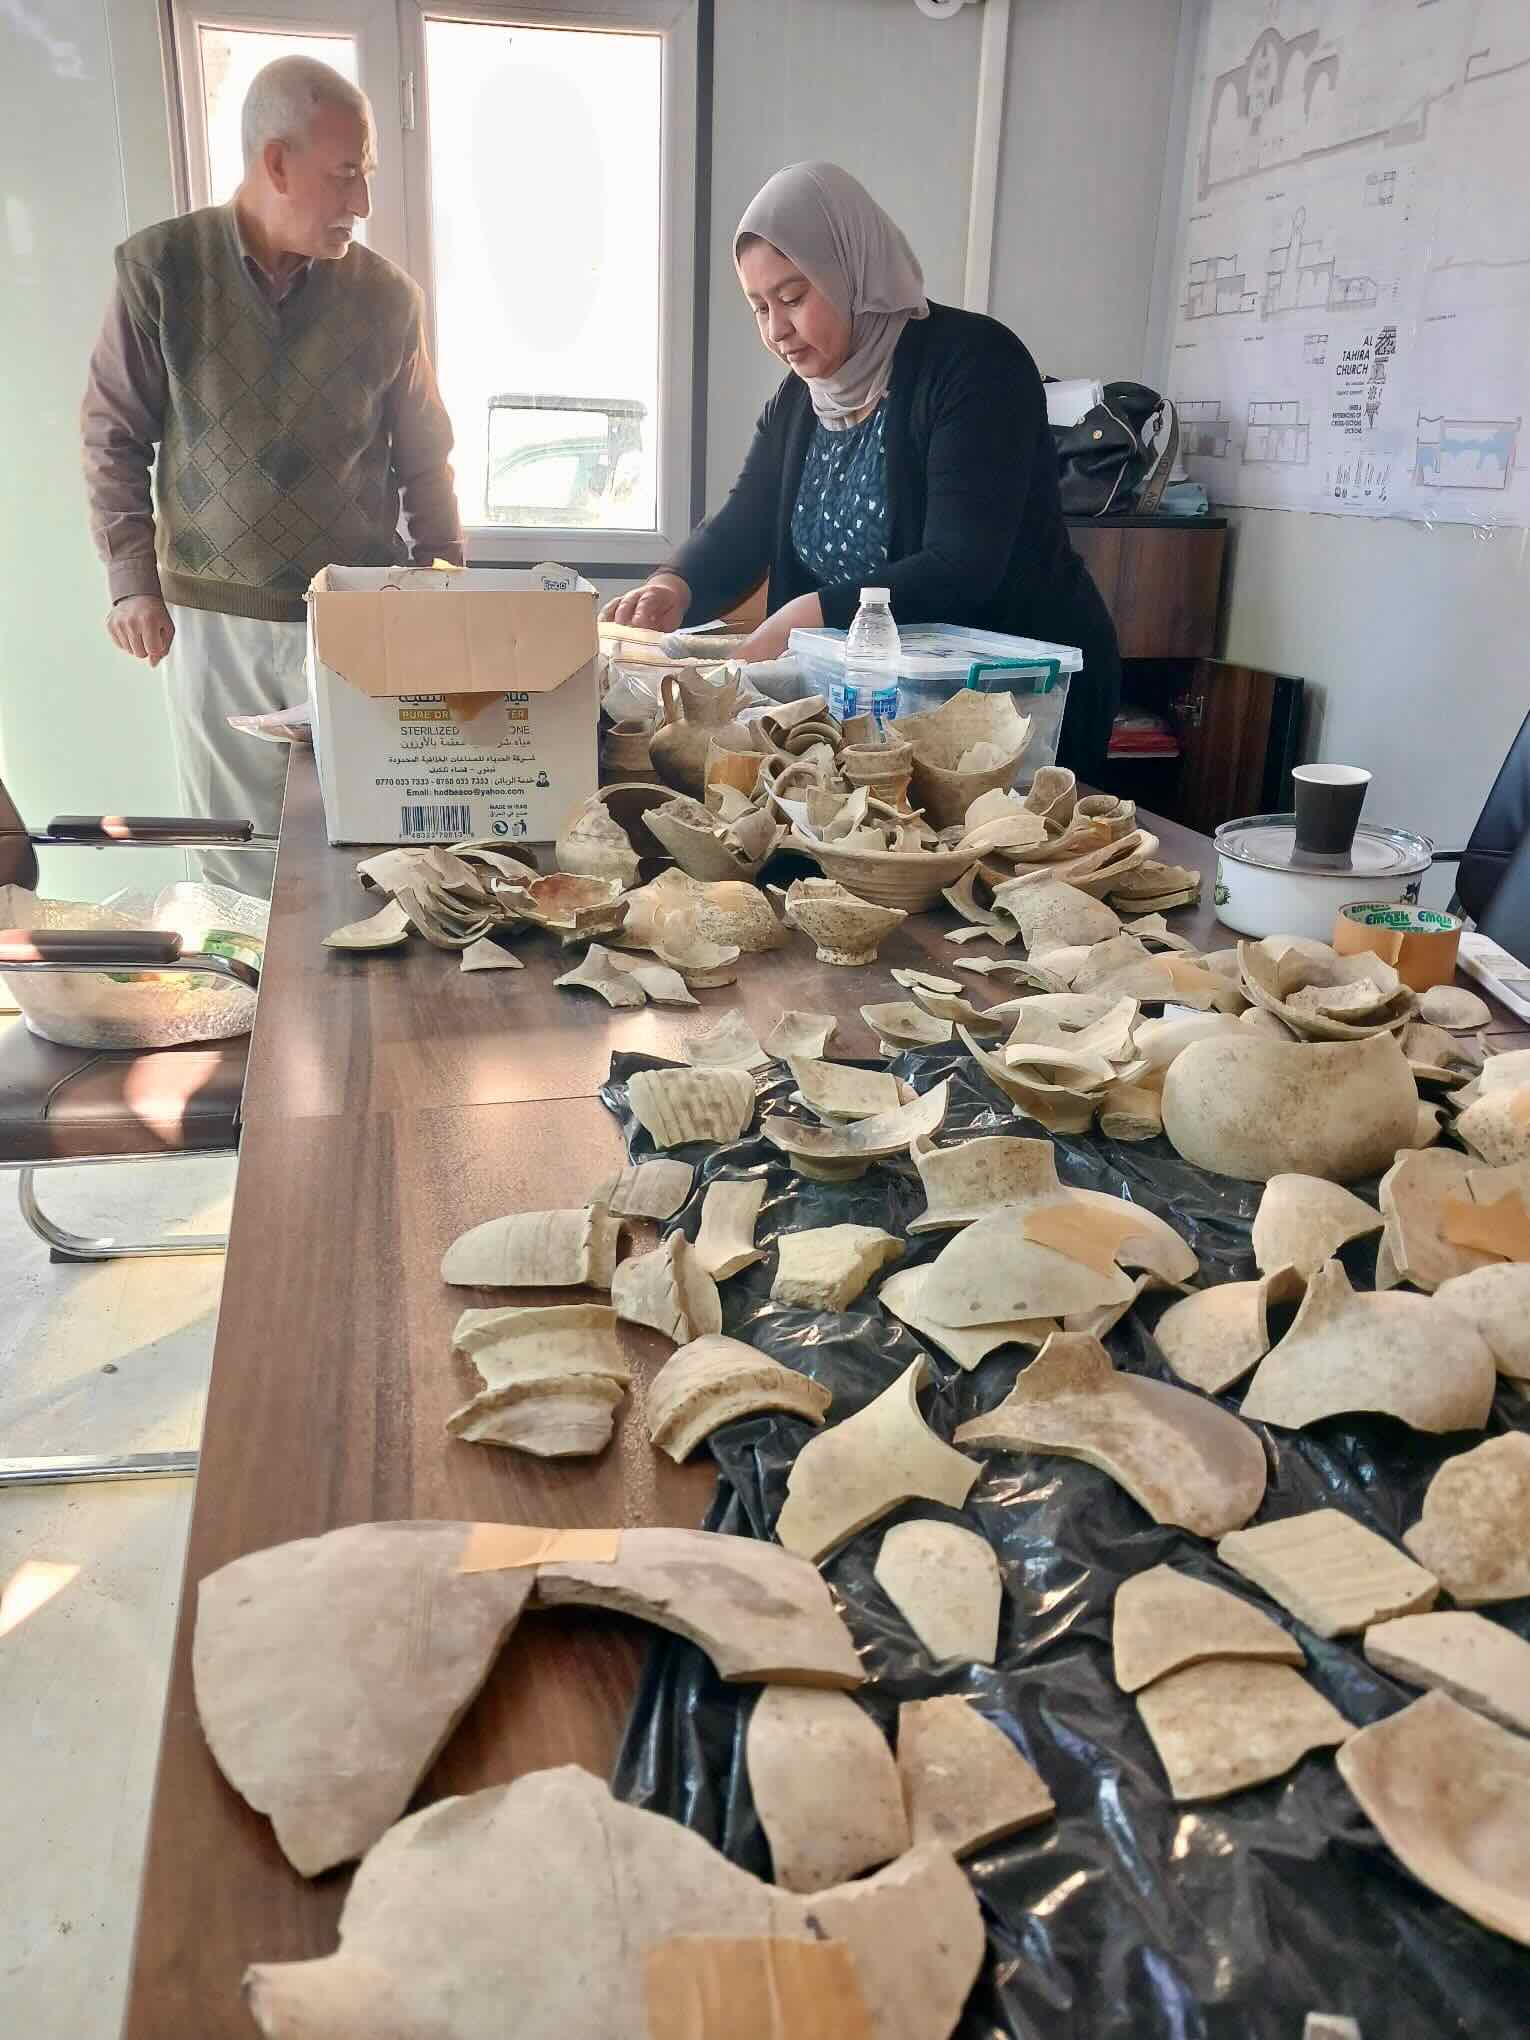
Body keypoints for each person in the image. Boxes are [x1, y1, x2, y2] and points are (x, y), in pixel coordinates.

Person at [80, 56, 462, 892]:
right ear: (277, 163)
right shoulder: (161, 271)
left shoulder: (389, 299)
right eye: (346, 174)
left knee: (372, 851)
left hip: (358, 615)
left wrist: (442, 583)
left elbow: (425, 455)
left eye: (367, 175)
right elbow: (113, 436)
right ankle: (243, 979)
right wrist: (129, 582)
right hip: (214, 622)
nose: (363, 202)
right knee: (234, 853)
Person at [608, 161, 1121, 779]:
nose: (776, 330)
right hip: (884, 703)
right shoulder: (801, 400)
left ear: (850, 272)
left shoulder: (975, 365)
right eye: (759, 307)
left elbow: (961, 565)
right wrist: (674, 586)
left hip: (1013, 705)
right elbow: (743, 523)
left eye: (793, 298)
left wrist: (807, 616)